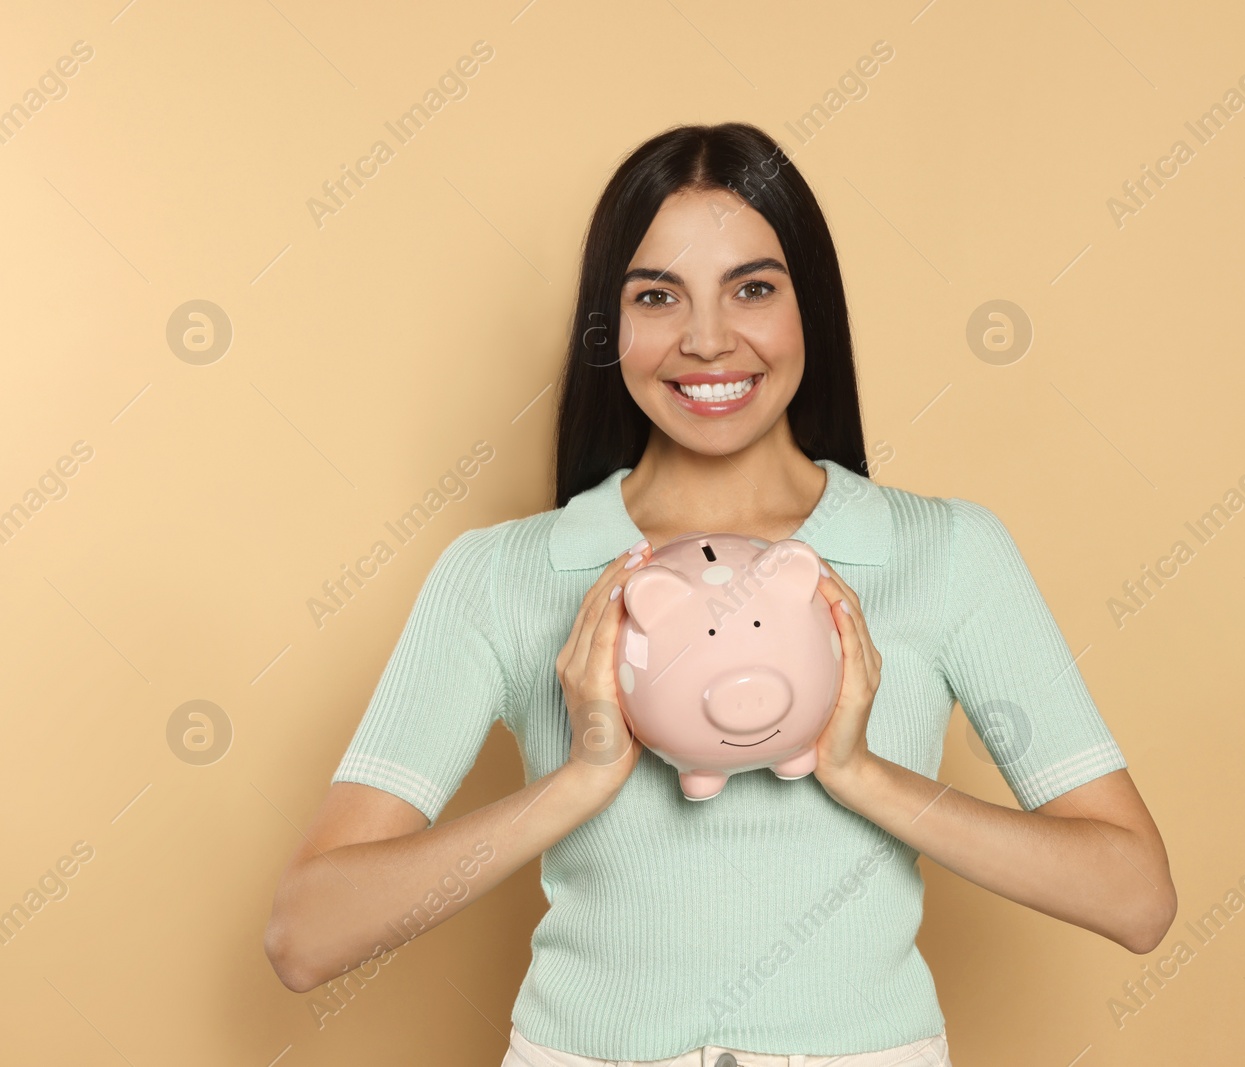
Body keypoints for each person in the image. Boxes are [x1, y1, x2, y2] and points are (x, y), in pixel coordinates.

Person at [263, 122, 1177, 1067]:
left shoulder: (944, 554)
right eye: (657, 296)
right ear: (609, 326)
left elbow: (1134, 896)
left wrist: (860, 772)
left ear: (806, 310)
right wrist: (580, 777)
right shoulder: (506, 575)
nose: (707, 341)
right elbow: (307, 935)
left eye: (752, 288)